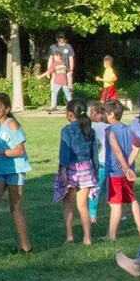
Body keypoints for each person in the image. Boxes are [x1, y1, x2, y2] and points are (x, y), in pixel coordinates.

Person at [0, 93, 32, 254]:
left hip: (15, 171)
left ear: (7, 108)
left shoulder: (12, 125)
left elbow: (20, 150)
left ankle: (26, 248)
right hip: (0, 171)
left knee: (15, 209)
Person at [56, 100, 99, 245]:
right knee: (83, 205)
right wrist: (96, 169)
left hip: (71, 170)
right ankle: (87, 238)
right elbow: (94, 153)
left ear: (69, 114)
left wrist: (62, 170)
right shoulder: (90, 130)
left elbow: (65, 152)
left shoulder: (66, 130)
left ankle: (70, 236)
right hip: (87, 169)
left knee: (68, 203)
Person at [103, 99, 140, 241]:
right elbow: (136, 149)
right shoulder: (129, 128)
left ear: (111, 115)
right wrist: (129, 166)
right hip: (129, 171)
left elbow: (116, 150)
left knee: (115, 203)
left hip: (116, 171)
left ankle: (112, 235)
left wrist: (124, 166)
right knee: (132, 199)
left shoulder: (109, 130)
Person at [87, 101, 109, 224]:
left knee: (95, 190)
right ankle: (119, 213)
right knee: (110, 191)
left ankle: (92, 215)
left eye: (92, 112)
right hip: (111, 163)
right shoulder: (110, 127)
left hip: (99, 164)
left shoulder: (93, 128)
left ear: (99, 114)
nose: (90, 114)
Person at [46, 33, 76, 111]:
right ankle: (53, 106)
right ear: (56, 38)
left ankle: (70, 106)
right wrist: (49, 70)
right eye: (59, 38)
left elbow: (71, 58)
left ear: (64, 38)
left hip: (66, 71)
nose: (60, 39)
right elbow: (50, 58)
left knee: (68, 89)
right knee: (54, 89)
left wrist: (71, 69)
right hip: (55, 71)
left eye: (62, 38)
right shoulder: (53, 47)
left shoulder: (68, 47)